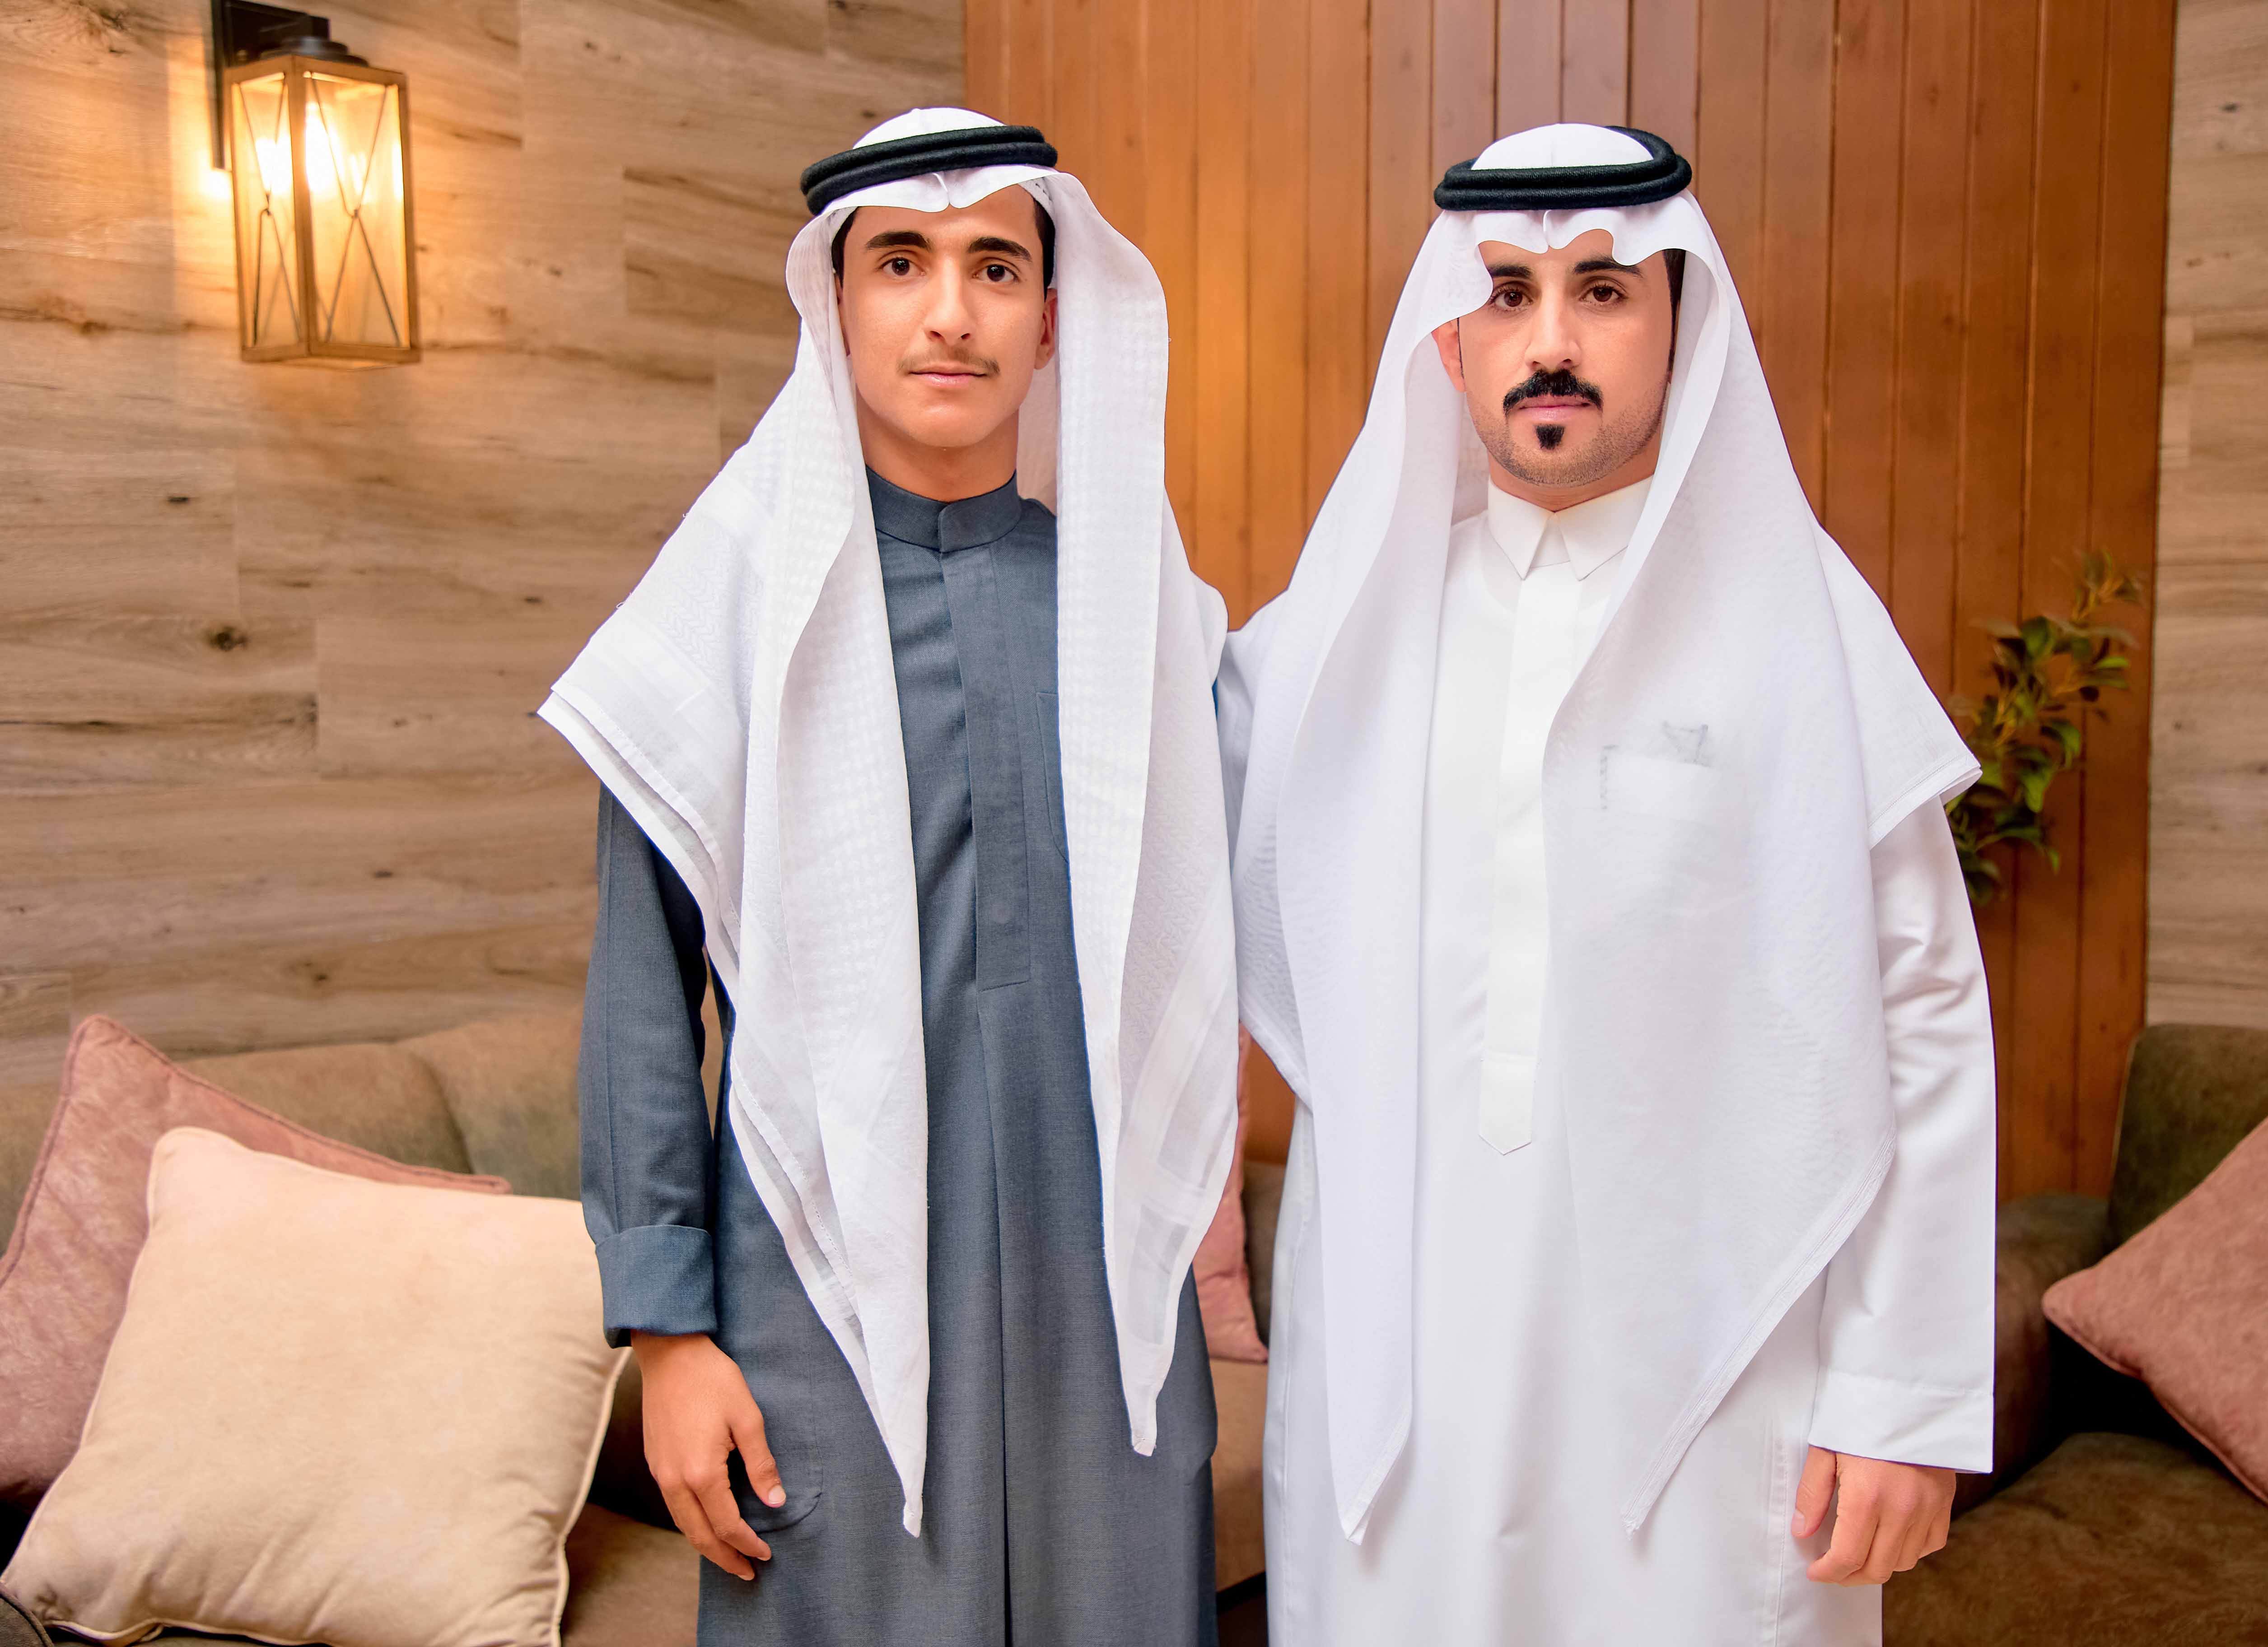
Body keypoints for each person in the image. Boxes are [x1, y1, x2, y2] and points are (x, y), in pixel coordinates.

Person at [1219, 123, 1995, 1644]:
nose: (1552, 342)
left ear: (1682, 326)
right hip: (1402, 1359)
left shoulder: (1800, 625)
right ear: (1449, 341)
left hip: (1715, 1370)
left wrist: (1901, 1395)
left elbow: (1920, 1009)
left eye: (1604, 290)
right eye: (1508, 293)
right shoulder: (1334, 642)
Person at [542, 107, 1238, 1646]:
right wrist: (669, 1337)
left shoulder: (1143, 618)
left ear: (1051, 320)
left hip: (1105, 1306)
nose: (950, 312)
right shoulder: (726, 609)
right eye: (902, 263)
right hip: (817, 1305)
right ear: (836, 302)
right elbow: (642, 995)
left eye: (996, 267)